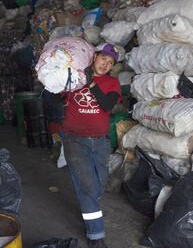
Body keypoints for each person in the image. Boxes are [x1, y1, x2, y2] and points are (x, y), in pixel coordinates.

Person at [61, 43, 121, 248]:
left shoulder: (112, 83)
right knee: (89, 186)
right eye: (103, 58)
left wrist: (91, 83)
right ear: (94, 56)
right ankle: (96, 236)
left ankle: (89, 208)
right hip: (74, 140)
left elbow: (107, 105)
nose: (106, 63)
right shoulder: (75, 77)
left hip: (101, 143)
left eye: (111, 62)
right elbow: (54, 92)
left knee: (97, 186)